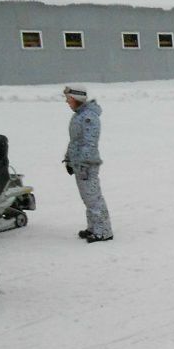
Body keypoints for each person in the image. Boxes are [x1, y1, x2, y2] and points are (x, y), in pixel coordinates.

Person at [62, 85, 113, 242]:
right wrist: (69, 159)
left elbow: (89, 143)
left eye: (69, 99)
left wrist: (84, 163)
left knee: (93, 198)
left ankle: (103, 231)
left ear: (77, 99)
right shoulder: (79, 115)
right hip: (79, 164)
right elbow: (75, 141)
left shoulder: (88, 117)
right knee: (87, 198)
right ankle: (93, 227)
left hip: (87, 165)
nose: (67, 102)